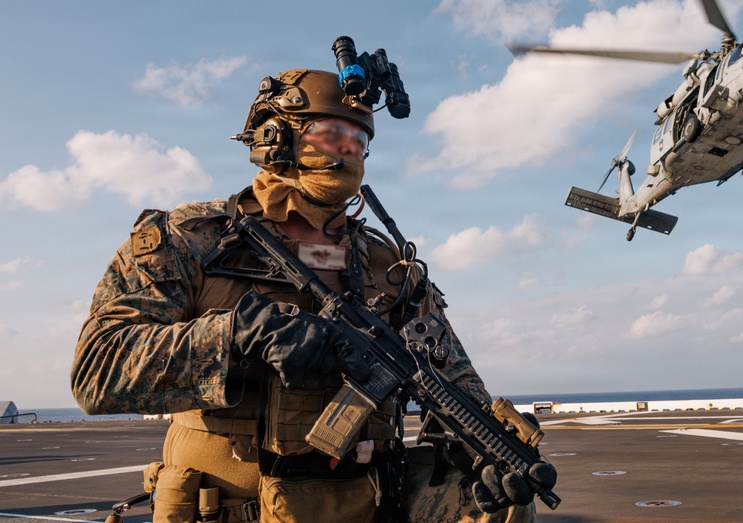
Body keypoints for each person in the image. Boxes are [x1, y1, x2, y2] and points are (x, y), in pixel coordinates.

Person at [71, 62, 552, 522]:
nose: (346, 152)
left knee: (497, 508)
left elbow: (454, 384)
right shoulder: (191, 239)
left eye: (358, 141)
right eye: (331, 134)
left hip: (367, 504)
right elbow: (97, 371)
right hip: (229, 507)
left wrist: (482, 451)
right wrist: (236, 336)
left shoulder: (390, 267)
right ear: (275, 136)